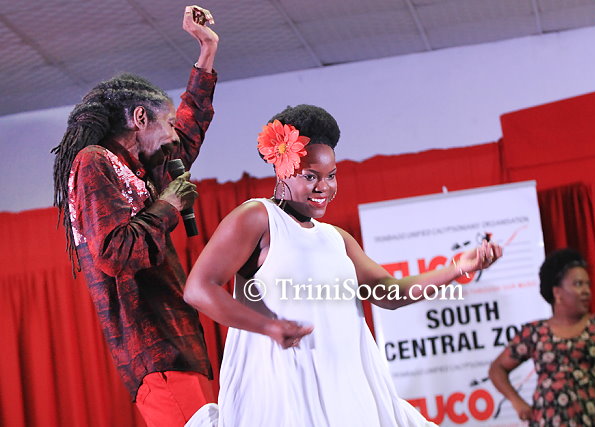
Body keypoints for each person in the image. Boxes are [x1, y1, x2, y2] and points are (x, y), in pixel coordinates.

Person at [182, 104, 503, 427]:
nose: (324, 187)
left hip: (344, 386)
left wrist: (457, 268)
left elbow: (388, 292)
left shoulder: (336, 238)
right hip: (284, 388)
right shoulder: (258, 217)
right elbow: (198, 288)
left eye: (331, 176)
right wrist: (269, 327)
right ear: (283, 170)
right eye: (311, 176)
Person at [51, 5, 219, 426]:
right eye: (166, 123)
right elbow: (114, 252)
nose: (172, 135)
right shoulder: (94, 162)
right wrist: (169, 205)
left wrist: (207, 51)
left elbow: (188, 133)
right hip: (154, 349)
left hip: (179, 344)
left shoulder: (141, 168)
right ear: (140, 118)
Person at [488, 249, 595, 426]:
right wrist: (517, 403)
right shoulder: (536, 332)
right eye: (578, 284)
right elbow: (497, 369)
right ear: (557, 292)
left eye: (587, 284)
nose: (586, 291)